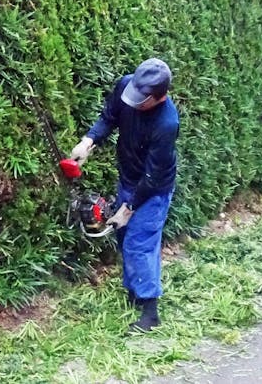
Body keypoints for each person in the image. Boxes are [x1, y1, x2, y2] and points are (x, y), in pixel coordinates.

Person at [70, 58, 179, 332]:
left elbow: (153, 177)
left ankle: (150, 312)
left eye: (140, 100)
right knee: (123, 236)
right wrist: (89, 141)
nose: (132, 102)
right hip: (128, 178)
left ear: (158, 97)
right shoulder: (126, 86)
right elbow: (110, 117)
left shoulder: (166, 123)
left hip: (153, 189)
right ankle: (134, 292)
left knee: (139, 243)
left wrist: (128, 208)